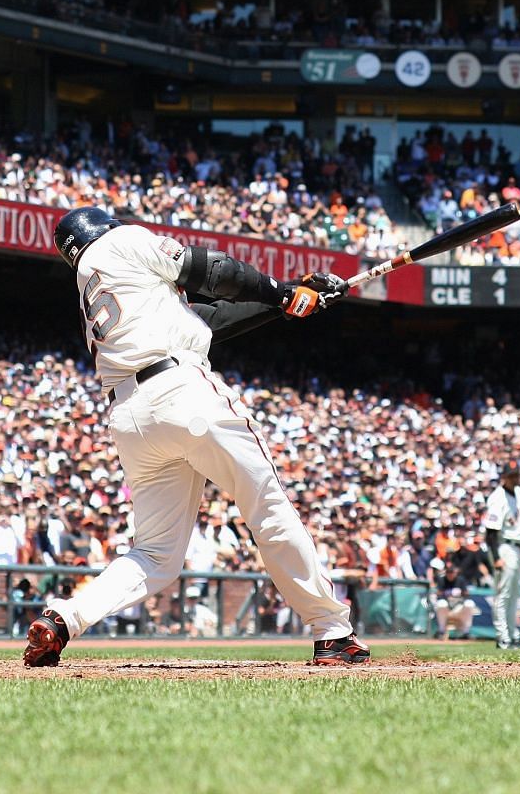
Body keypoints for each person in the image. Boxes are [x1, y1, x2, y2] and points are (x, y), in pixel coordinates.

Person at [22, 206, 367, 668]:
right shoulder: (122, 241)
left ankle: (65, 617)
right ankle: (332, 631)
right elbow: (212, 270)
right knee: (266, 505)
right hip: (181, 390)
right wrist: (281, 291)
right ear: (105, 226)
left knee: (155, 553)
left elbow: (208, 320)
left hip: (130, 417)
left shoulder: (95, 278)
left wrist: (288, 299)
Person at [482, 460, 520, 649]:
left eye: (517, 474)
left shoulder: (518, 493)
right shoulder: (497, 497)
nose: (516, 478)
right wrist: (496, 558)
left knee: (514, 594)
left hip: (516, 547)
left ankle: (513, 635)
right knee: (503, 594)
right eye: (512, 475)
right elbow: (490, 532)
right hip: (503, 547)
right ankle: (503, 637)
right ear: (504, 477)